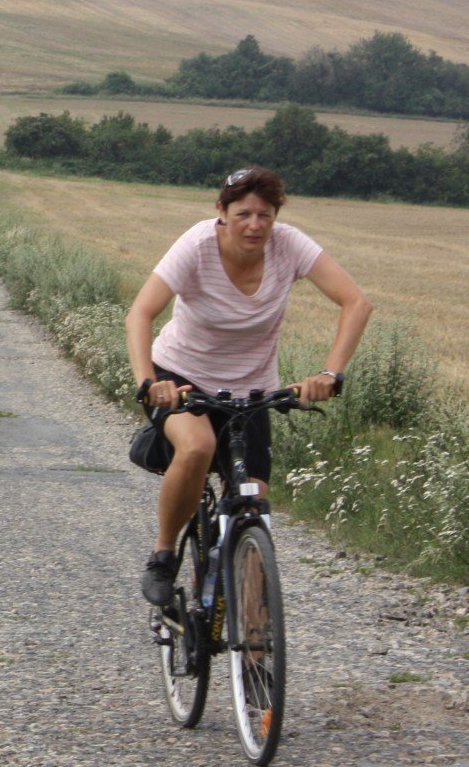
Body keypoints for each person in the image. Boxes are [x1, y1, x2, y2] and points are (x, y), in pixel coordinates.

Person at [124, 167, 372, 606]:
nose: (255, 225)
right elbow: (140, 313)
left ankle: (257, 653)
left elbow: (356, 302)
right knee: (197, 447)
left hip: (252, 390)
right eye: (243, 214)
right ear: (221, 212)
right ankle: (163, 555)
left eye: (265, 215)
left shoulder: (289, 245)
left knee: (253, 506)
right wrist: (149, 382)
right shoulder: (198, 245)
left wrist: (329, 375)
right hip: (182, 377)